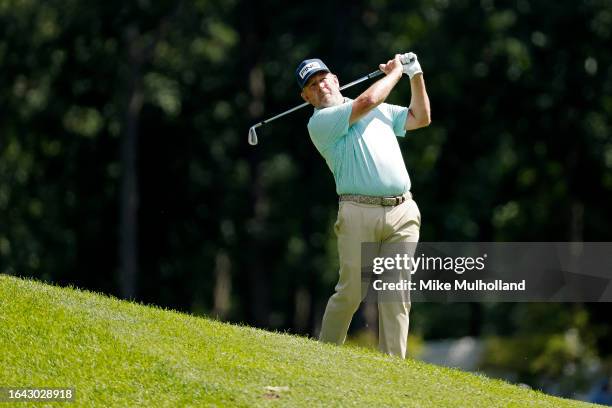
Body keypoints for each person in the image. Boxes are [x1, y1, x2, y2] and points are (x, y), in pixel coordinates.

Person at [295, 53, 431, 358]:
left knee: (397, 293)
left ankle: (393, 370)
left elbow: (420, 118)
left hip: (402, 212)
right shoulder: (320, 122)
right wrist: (396, 73)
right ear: (306, 97)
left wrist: (415, 75)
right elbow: (366, 102)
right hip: (358, 212)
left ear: (336, 80)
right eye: (312, 86)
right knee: (351, 292)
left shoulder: (380, 107)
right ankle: (325, 357)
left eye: (323, 79)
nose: (321, 87)